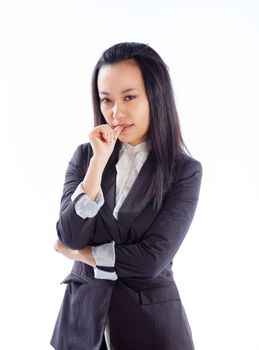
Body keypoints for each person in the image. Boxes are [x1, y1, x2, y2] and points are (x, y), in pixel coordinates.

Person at [50, 42, 202, 350]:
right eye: (106, 100)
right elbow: (69, 233)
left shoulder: (183, 171)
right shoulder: (85, 158)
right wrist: (98, 163)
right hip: (81, 327)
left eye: (129, 97)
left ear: (155, 97)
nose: (116, 112)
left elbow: (150, 260)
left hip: (151, 330)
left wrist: (81, 256)